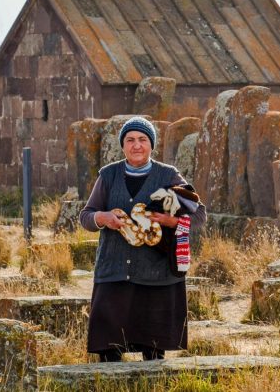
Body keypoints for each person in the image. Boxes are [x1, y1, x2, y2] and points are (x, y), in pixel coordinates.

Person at [79, 116, 206, 362]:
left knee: (153, 352)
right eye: (130, 140)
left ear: (151, 144)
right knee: (109, 351)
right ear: (123, 145)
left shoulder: (168, 176)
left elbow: (199, 214)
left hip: (156, 276)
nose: (136, 145)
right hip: (114, 273)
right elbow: (86, 216)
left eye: (142, 140)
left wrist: (172, 222)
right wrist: (103, 217)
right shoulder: (108, 175)